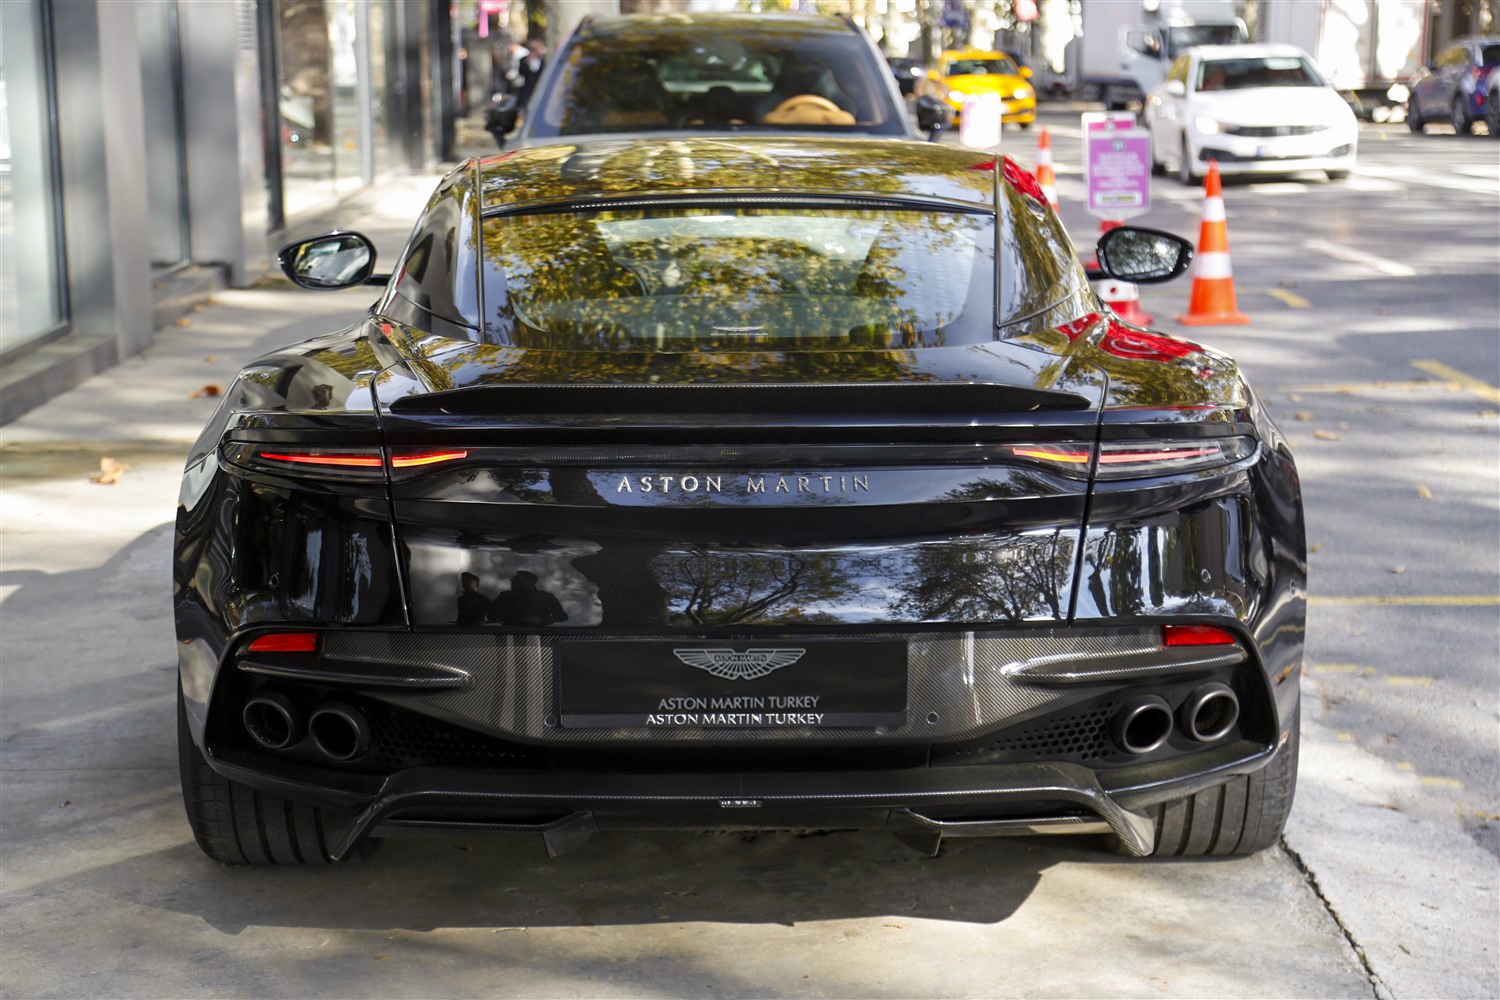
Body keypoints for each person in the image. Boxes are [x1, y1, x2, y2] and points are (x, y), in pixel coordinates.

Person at [487, 570, 568, 627]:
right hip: (508, 634)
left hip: (539, 637)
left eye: (516, 579)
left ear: (529, 582)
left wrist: (541, 621)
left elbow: (561, 617)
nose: (511, 581)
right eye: (513, 579)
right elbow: (491, 614)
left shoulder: (546, 597)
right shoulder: (505, 596)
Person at [515, 38, 546, 111]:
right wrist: (528, 62)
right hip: (527, 91)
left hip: (539, 90)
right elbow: (521, 72)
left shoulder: (543, 60)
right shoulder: (524, 60)